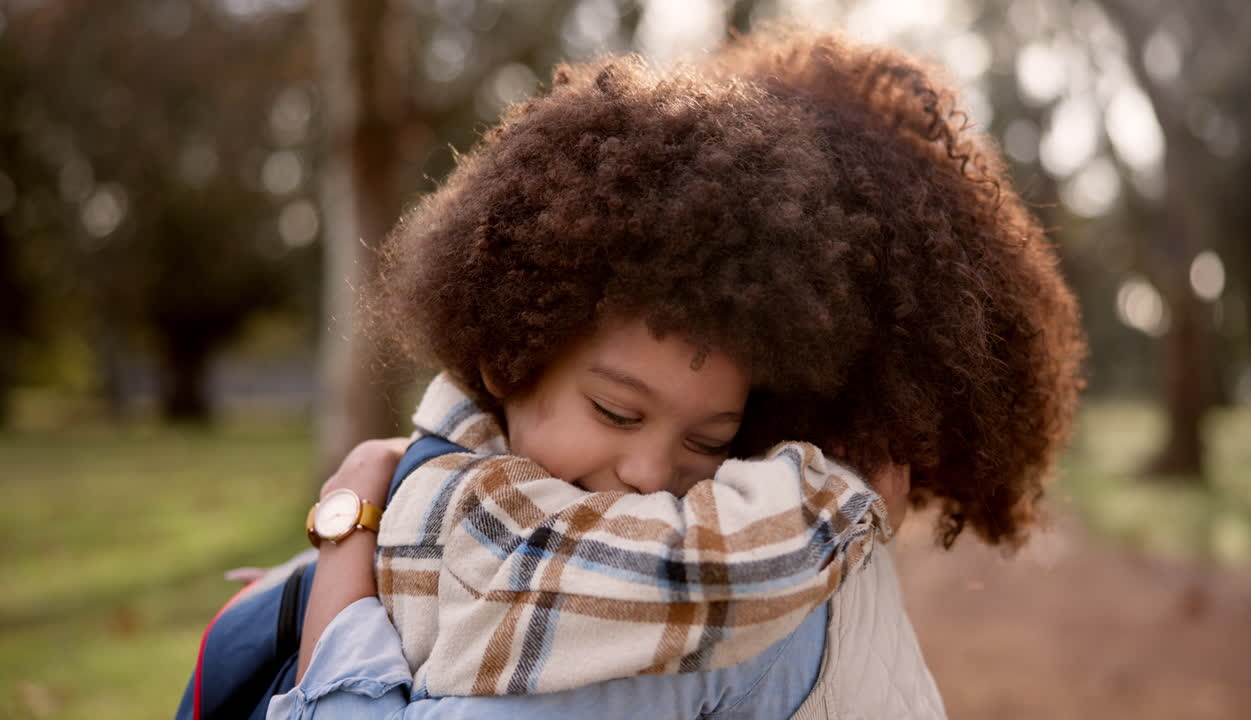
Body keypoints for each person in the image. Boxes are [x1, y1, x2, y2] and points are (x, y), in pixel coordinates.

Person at [269, 24, 1083, 720]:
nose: (652, 474)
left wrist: (349, 538)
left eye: (710, 438)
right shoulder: (458, 487)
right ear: (507, 354)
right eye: (618, 412)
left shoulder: (726, 618)